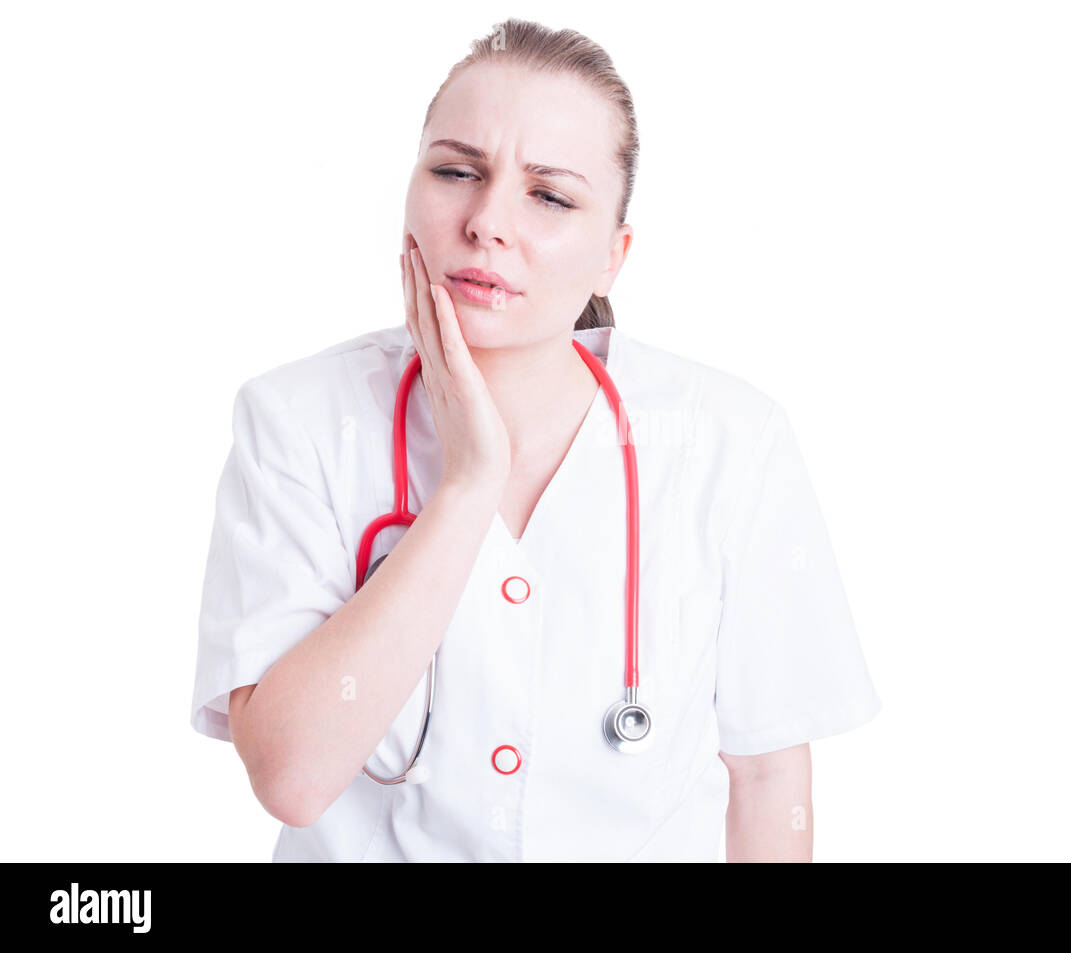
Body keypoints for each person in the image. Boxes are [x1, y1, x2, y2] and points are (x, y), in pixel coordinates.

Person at [190, 17, 882, 862]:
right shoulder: (297, 422)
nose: (486, 221)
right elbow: (292, 777)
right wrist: (470, 483)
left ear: (611, 258)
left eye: (549, 195)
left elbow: (770, 781)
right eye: (455, 171)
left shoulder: (728, 442)